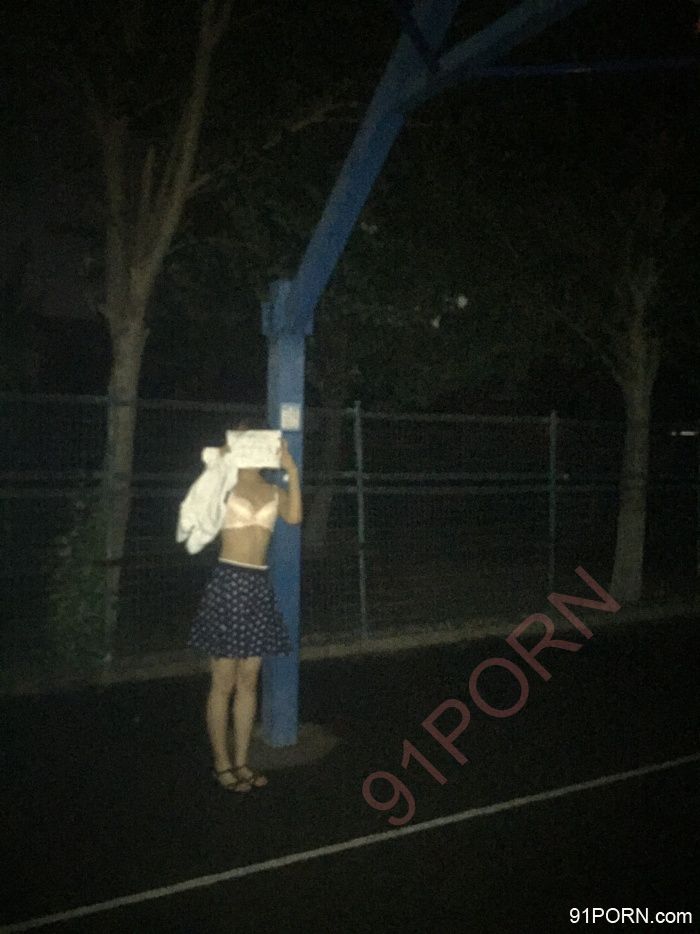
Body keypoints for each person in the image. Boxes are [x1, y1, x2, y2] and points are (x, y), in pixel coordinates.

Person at [187, 428, 302, 793]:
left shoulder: (273, 490)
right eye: (247, 441)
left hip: (256, 586)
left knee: (249, 680)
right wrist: (227, 449)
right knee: (223, 682)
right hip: (228, 583)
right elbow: (205, 480)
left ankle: (241, 761)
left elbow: (294, 517)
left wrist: (290, 469)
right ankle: (221, 764)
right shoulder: (223, 485)